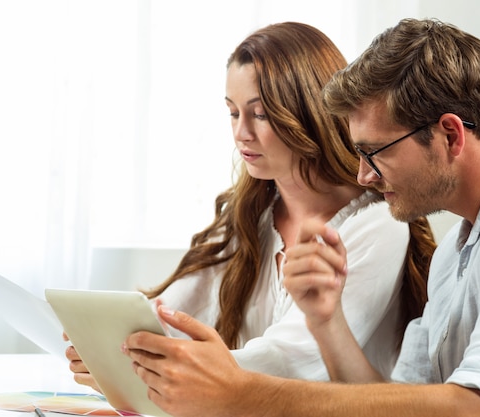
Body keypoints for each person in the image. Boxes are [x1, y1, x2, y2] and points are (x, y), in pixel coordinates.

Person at [120, 17, 480, 417]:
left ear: (450, 135)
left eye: (375, 152)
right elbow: (391, 400)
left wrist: (243, 396)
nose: (363, 176)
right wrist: (326, 320)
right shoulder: (455, 254)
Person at [66, 21, 436, 390]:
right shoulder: (250, 213)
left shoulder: (377, 224)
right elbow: (168, 312)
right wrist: (107, 346)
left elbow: (290, 361)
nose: (241, 132)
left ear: (309, 112)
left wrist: (151, 366)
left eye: (259, 114)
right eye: (232, 112)